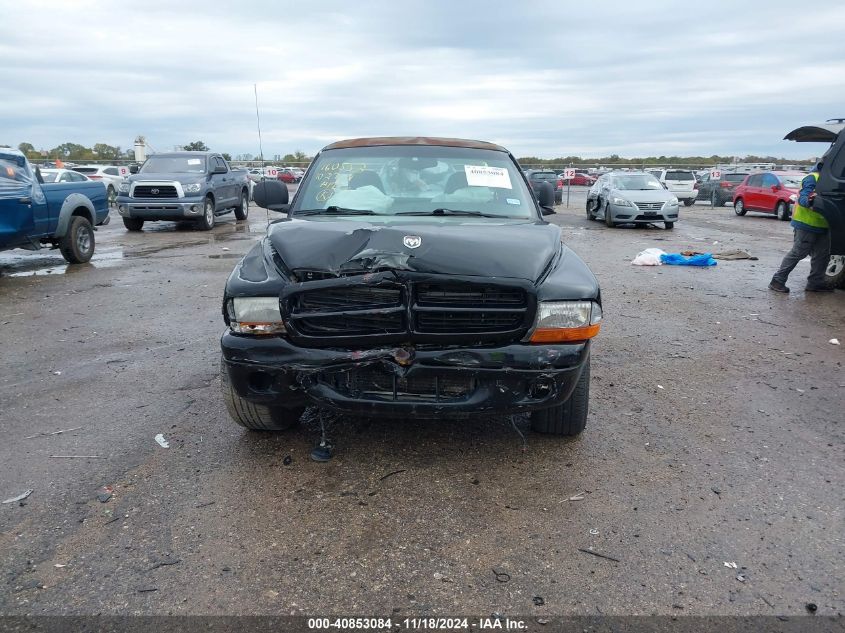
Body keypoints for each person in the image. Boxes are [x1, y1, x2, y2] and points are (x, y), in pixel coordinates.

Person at [769, 161, 833, 293]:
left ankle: (815, 283)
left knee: (822, 255)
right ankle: (777, 280)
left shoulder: (829, 180)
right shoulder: (813, 177)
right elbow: (805, 196)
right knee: (799, 252)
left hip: (823, 224)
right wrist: (809, 201)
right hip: (806, 223)